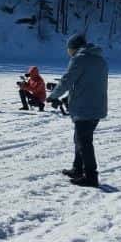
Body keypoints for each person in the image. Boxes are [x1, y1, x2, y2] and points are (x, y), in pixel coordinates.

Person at [47, 33, 109, 188]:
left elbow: (67, 80)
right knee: (80, 138)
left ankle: (91, 176)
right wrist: (68, 98)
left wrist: (53, 96)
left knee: (84, 141)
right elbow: (86, 85)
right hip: (96, 105)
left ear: (73, 48)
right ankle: (78, 169)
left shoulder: (80, 59)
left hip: (84, 107)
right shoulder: (100, 60)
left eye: (68, 49)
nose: (68, 52)